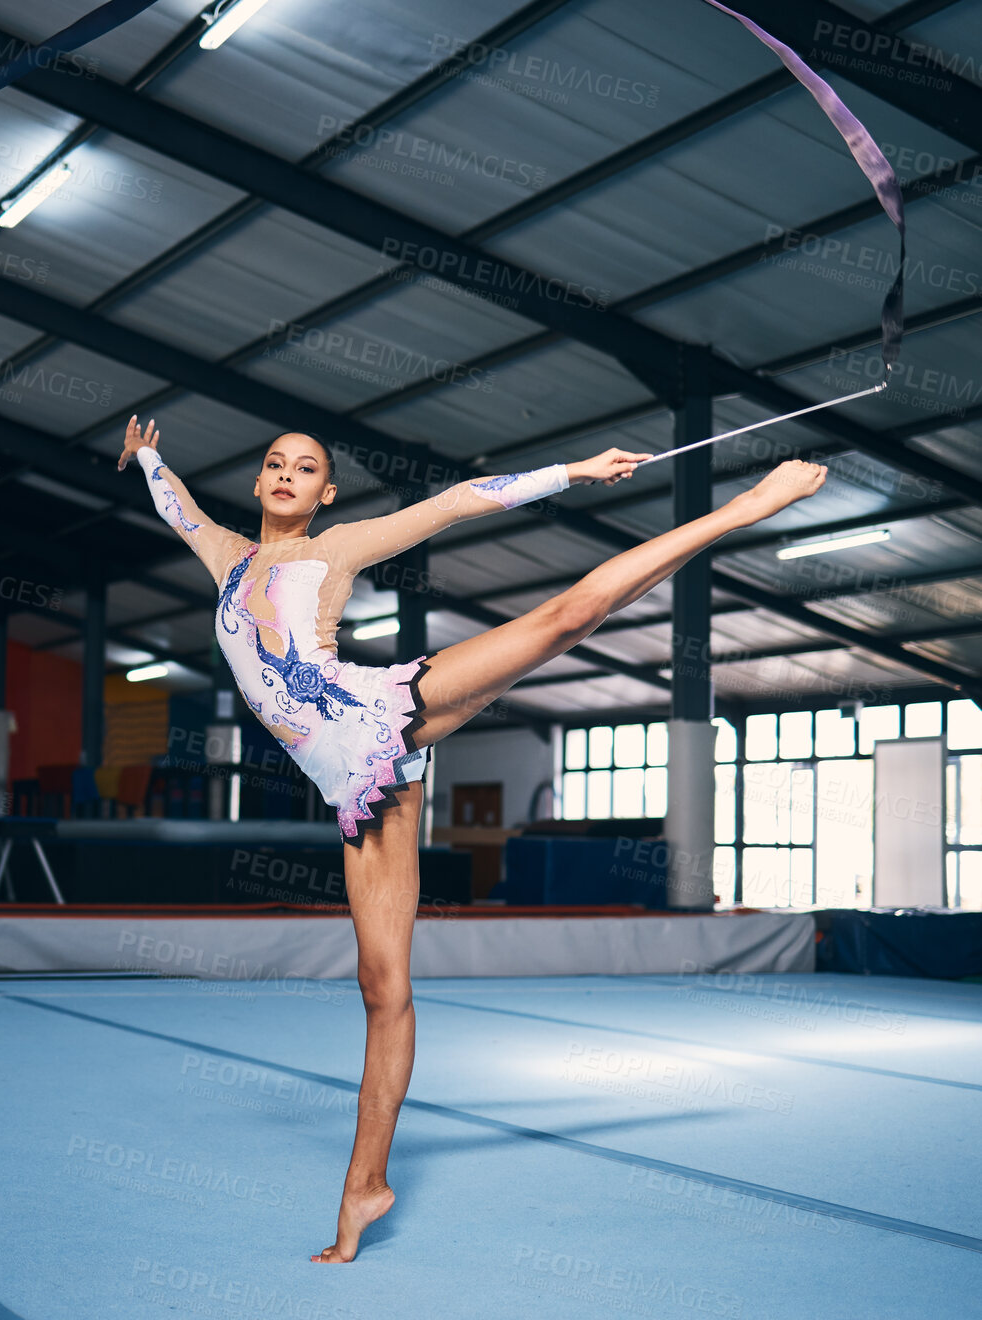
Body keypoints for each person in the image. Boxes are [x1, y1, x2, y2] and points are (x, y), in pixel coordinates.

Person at [118, 417, 826, 1262]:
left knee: (569, 616)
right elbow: (175, 506)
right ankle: (366, 1186)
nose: (285, 474)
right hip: (353, 784)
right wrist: (149, 456)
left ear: (325, 492)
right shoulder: (227, 557)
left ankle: (744, 507)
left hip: (380, 712)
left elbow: (456, 504)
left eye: (305, 467)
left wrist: (577, 468)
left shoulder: (337, 547)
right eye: (274, 462)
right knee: (382, 991)